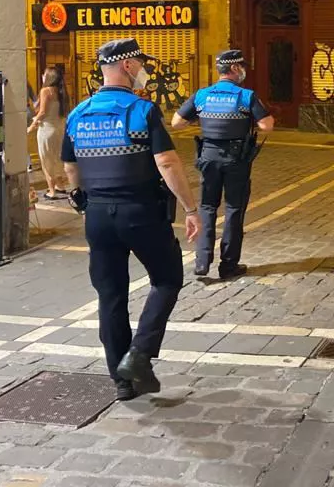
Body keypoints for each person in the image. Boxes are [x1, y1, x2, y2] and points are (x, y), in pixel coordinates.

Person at [62, 39, 201, 401]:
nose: (143, 68)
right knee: (167, 278)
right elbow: (166, 162)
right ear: (126, 66)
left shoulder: (78, 114)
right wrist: (190, 209)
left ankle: (122, 383)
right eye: (139, 62)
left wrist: (82, 200)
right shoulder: (143, 110)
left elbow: (70, 167)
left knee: (110, 296)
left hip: (97, 216)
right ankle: (139, 355)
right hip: (140, 213)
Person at [172, 50, 275, 279]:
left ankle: (202, 261)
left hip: (208, 156)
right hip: (236, 159)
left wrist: (200, 119)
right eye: (242, 67)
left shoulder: (202, 95)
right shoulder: (246, 95)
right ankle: (229, 265)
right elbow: (267, 125)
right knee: (234, 209)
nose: (244, 71)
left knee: (207, 207)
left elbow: (177, 122)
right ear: (235, 68)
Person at [28, 67, 70, 199]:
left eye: (44, 74)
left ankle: (51, 191)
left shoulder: (45, 90)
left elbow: (42, 112)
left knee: (46, 160)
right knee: (57, 158)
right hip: (59, 129)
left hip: (47, 130)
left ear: (49, 77)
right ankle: (60, 186)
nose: (42, 76)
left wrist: (32, 126)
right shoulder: (62, 92)